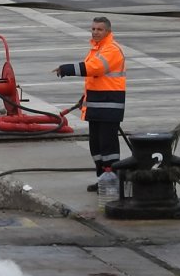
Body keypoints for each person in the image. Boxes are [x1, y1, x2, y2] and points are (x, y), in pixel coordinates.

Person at [52, 16, 126, 192]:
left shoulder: (111, 50)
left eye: (99, 29)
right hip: (97, 104)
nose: (95, 32)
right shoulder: (96, 49)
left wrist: (67, 69)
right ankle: (102, 179)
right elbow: (94, 78)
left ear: (108, 31)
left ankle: (113, 180)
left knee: (108, 146)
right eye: (93, 29)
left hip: (109, 105)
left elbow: (95, 68)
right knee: (96, 145)